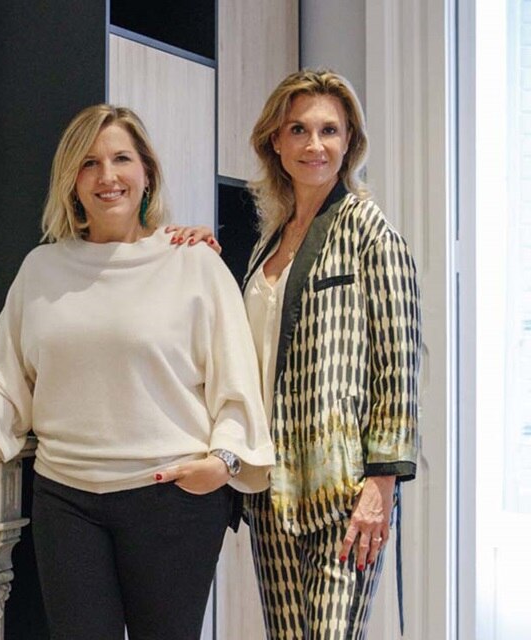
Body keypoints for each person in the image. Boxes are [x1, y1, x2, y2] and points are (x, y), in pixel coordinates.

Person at [0, 104, 274, 639]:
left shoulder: (194, 264)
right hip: (67, 499)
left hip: (171, 497)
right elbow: (6, 372)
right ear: (71, 182)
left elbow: (236, 381)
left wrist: (223, 463)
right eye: (89, 163)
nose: (107, 176)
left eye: (121, 159)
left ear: (147, 172)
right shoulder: (42, 268)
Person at [173, 69, 421, 639]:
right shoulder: (268, 241)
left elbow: (399, 368)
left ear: (349, 141)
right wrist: (202, 257)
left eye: (329, 130)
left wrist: (381, 487)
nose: (315, 145)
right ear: (276, 143)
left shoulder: (370, 233)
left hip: (341, 491)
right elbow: (245, 348)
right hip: (269, 490)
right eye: (299, 130)